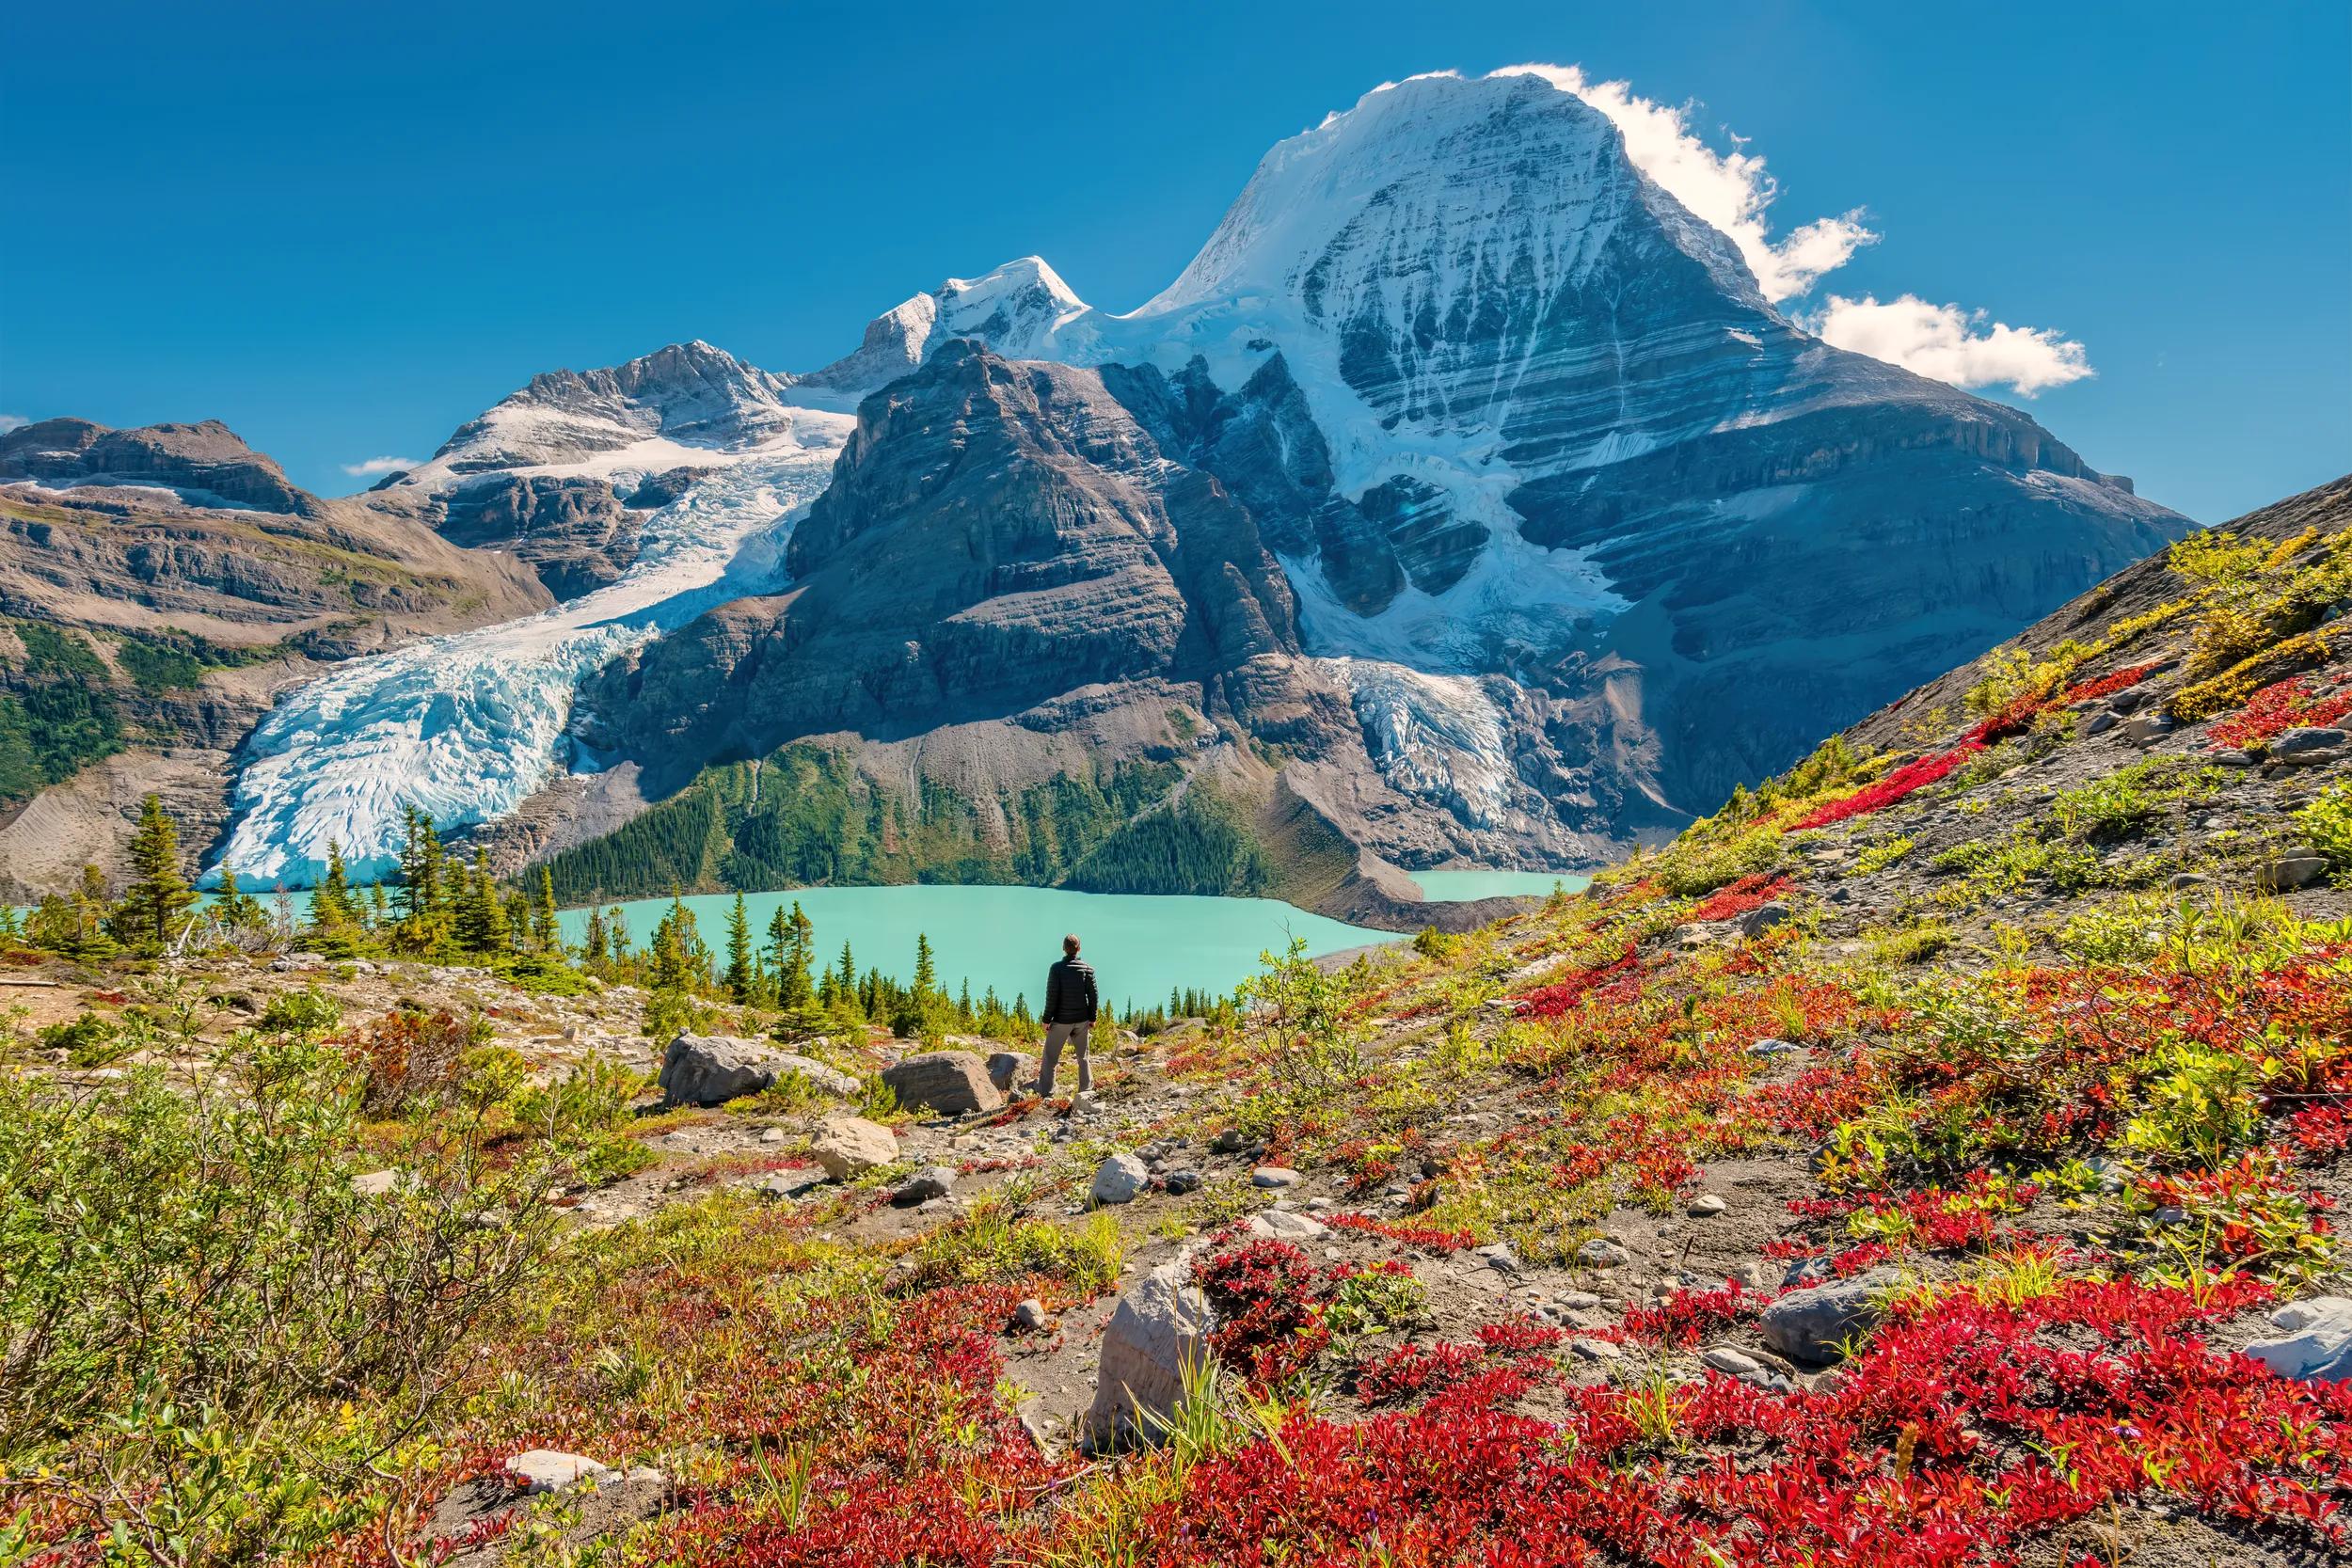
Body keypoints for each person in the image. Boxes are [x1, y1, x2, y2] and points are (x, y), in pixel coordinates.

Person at [1038, 933, 1098, 1096]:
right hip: (1081, 1020)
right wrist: (1092, 1018)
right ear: (1078, 949)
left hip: (1061, 1021)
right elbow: (1093, 996)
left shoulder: (1056, 968)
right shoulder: (1087, 969)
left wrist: (1046, 1020)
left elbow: (1052, 996)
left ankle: (1046, 1094)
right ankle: (1086, 1091)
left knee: (1050, 1058)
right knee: (1083, 1057)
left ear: (1064, 949)